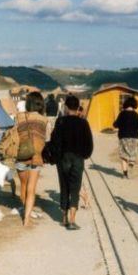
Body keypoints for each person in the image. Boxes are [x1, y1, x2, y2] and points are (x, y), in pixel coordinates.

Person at [49, 95, 93, 230]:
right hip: (78, 158)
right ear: (77, 106)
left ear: (66, 107)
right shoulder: (83, 123)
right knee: (75, 187)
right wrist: (85, 155)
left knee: (64, 186)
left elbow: (54, 141)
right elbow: (89, 143)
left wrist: (55, 157)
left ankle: (64, 218)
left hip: (63, 158)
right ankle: (72, 220)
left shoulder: (60, 121)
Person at [5, 92, 47, 227]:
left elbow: (15, 135)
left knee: (23, 185)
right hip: (36, 157)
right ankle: (27, 218)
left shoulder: (19, 117)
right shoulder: (44, 120)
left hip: (21, 156)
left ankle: (23, 208)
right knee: (31, 188)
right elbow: (44, 139)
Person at [113, 96, 138, 178]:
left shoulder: (122, 114)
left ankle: (125, 174)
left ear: (126, 104)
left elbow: (115, 125)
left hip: (123, 136)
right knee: (132, 153)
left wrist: (117, 121)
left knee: (124, 155)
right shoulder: (136, 115)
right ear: (135, 105)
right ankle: (132, 162)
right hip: (134, 137)